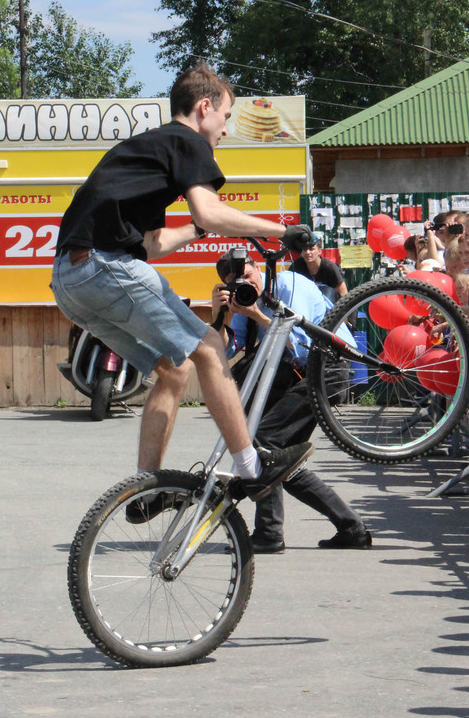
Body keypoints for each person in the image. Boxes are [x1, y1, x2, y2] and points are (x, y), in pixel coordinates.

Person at [50, 63, 314, 502]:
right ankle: (252, 467)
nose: (225, 130)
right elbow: (210, 210)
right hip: (102, 266)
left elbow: (151, 244)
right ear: (204, 107)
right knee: (209, 347)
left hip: (70, 279)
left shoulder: (149, 152)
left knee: (174, 370)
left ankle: (145, 492)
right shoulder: (188, 140)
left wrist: (196, 230)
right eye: (225, 117)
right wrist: (281, 230)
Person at [212, 252, 371, 553]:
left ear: (258, 267)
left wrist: (256, 315)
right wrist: (220, 317)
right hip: (297, 374)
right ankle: (352, 529)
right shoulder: (244, 300)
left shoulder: (288, 284)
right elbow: (228, 349)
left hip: (326, 368)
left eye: (248, 275)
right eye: (236, 281)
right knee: (282, 463)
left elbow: (299, 344)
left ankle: (269, 533)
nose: (245, 283)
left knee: (264, 444)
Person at [288, 231, 347, 302]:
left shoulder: (329, 267)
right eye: (304, 249)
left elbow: (343, 294)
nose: (307, 252)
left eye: (311, 249)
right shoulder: (297, 266)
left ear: (319, 251)